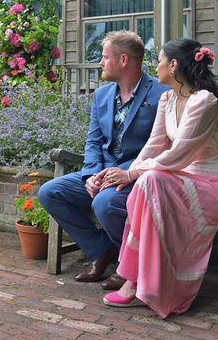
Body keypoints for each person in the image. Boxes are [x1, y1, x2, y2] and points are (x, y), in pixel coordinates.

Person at [101, 38, 218, 318]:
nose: (156, 67)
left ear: (174, 66)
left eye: (160, 61)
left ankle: (144, 284)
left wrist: (132, 172)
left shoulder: (204, 101)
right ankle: (136, 279)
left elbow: (179, 155)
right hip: (184, 180)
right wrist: (128, 176)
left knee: (151, 180)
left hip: (214, 185)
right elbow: (153, 145)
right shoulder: (167, 98)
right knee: (147, 182)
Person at [38, 31, 169, 290]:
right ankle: (101, 250)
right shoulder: (102, 96)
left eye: (104, 57)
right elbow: (94, 142)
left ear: (123, 59)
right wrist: (90, 176)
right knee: (50, 192)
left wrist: (122, 172)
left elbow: (162, 145)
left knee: (105, 203)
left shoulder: (161, 94)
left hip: (136, 175)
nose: (100, 62)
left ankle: (130, 264)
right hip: (102, 173)